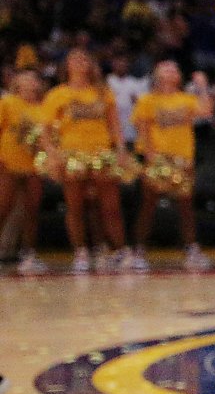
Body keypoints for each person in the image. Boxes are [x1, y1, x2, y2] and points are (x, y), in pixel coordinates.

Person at [42, 48, 138, 273]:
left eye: (84, 58)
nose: (79, 62)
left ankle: (119, 250)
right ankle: (81, 252)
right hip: (72, 154)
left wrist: (121, 150)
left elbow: (115, 125)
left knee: (110, 206)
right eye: (74, 59)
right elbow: (45, 131)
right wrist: (53, 154)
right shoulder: (57, 94)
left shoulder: (103, 92)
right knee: (75, 206)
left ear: (90, 65)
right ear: (66, 66)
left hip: (101, 154)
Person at [131, 60, 214, 271]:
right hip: (158, 158)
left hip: (182, 159)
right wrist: (150, 156)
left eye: (175, 68)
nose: (171, 70)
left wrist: (202, 86)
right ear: (157, 74)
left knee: (185, 207)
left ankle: (191, 249)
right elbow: (142, 127)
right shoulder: (147, 100)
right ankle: (139, 250)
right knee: (148, 205)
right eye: (166, 68)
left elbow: (206, 112)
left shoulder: (186, 99)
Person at [1, 67, 49, 274]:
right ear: (17, 84)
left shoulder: (44, 107)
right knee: (3, 207)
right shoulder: (8, 103)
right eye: (25, 79)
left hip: (34, 166)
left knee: (31, 210)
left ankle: (28, 254)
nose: (30, 82)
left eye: (33, 79)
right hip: (8, 162)